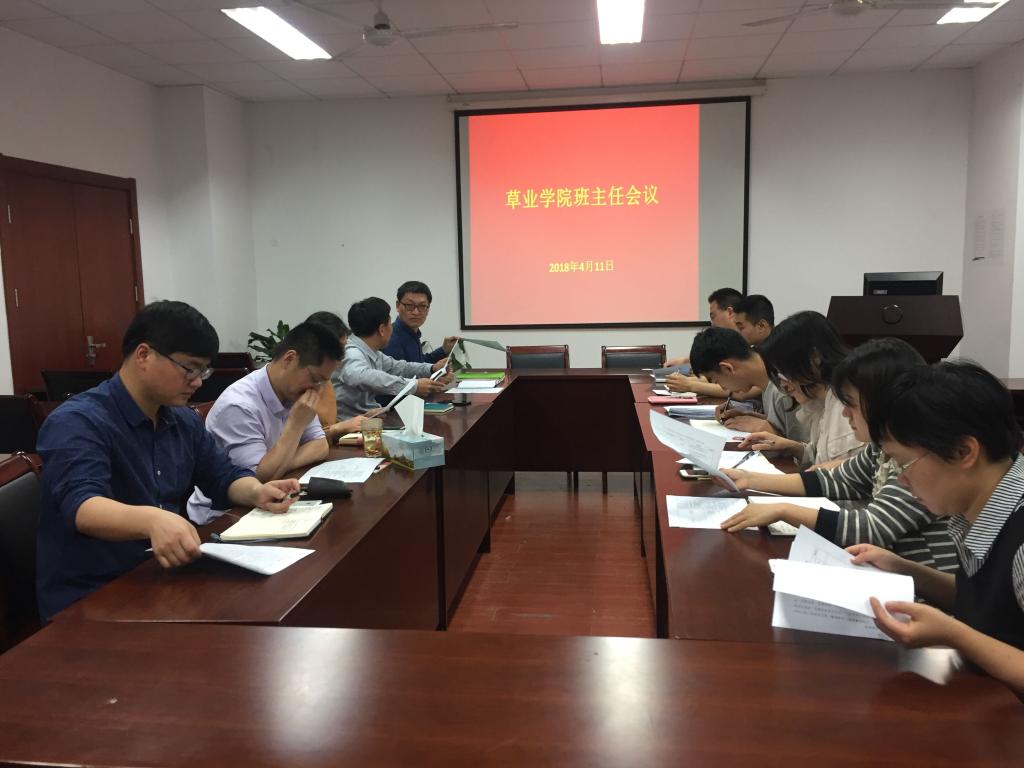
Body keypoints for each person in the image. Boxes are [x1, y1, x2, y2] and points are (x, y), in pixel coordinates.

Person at [35, 301, 299, 621]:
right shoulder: (78, 422)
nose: (198, 382)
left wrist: (256, 491)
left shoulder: (181, 420)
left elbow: (221, 475)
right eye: (190, 368)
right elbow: (83, 506)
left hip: (164, 579)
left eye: (204, 371)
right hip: (91, 597)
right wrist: (152, 520)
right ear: (144, 355)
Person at [848, 362, 1024, 695]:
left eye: (904, 463)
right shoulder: (981, 504)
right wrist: (904, 570)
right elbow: (988, 603)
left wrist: (954, 635)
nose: (901, 480)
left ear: (962, 452)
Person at [717, 338, 957, 572]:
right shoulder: (880, 448)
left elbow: (872, 528)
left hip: (915, 586)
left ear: (885, 402)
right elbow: (837, 480)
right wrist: (750, 479)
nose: (845, 414)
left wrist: (784, 510)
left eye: (851, 404)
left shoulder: (918, 458)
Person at [187, 322, 342, 524]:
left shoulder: (295, 392)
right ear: (289, 359)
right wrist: (295, 425)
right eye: (314, 378)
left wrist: (282, 463)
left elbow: (320, 446)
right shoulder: (239, 405)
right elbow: (259, 479)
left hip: (271, 500)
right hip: (223, 516)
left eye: (322, 382)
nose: (316, 389)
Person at [738, 311, 863, 468]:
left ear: (815, 358)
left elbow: (836, 473)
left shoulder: (845, 409)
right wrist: (791, 447)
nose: (783, 385)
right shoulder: (821, 401)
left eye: (784, 373)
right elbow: (819, 456)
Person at [335, 297, 450, 419]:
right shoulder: (352, 352)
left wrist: (432, 368)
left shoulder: (373, 352)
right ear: (382, 330)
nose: (392, 328)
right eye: (390, 324)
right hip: (349, 426)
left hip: (369, 420)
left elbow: (400, 367)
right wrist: (412, 386)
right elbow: (361, 376)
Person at [688, 327, 807, 443]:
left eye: (717, 381)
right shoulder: (766, 378)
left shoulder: (784, 389)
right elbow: (783, 425)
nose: (723, 388)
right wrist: (750, 416)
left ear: (728, 368)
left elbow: (806, 450)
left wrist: (764, 428)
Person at [305, 310, 374, 442]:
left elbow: (328, 423)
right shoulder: (296, 385)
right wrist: (339, 428)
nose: (342, 357)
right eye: (339, 349)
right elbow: (300, 442)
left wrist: (361, 417)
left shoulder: (325, 380)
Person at [666, 287, 747, 397]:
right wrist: (686, 380)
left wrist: (690, 385)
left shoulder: (750, 342)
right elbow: (716, 379)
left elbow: (741, 391)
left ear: (729, 312)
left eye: (713, 316)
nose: (712, 324)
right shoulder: (729, 343)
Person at [381, 280, 458, 364]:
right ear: (398, 305)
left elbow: (420, 364)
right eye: (409, 305)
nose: (416, 312)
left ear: (428, 308)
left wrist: (443, 350)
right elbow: (402, 372)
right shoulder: (391, 338)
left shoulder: (412, 333)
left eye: (422, 306)